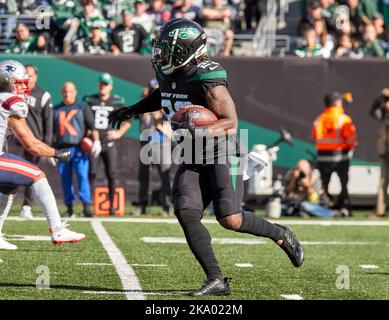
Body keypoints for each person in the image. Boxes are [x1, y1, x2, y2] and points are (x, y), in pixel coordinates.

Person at [109, 18, 304, 297]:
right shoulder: (170, 73)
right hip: (191, 152)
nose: (162, 54)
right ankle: (216, 280)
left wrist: (200, 130)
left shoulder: (207, 75)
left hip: (223, 150)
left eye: (169, 48)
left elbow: (230, 121)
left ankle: (280, 234)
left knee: (231, 219)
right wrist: (132, 110)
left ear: (187, 49)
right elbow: (163, 94)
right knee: (186, 211)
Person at [0, 60, 85, 250]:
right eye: (20, 83)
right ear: (7, 81)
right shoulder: (9, 101)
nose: (25, 87)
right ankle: (57, 229)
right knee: (37, 175)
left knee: (9, 187)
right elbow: (31, 144)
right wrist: (56, 153)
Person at [83, 73, 131, 216]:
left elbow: (128, 120)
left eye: (106, 84)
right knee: (91, 173)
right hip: (94, 142)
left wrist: (119, 133)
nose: (103, 86)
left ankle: (111, 207)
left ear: (110, 86)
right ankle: (87, 206)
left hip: (109, 143)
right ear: (99, 84)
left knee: (112, 174)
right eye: (101, 83)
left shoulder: (117, 102)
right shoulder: (90, 100)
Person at [53, 82, 102, 218]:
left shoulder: (82, 106)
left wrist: (96, 141)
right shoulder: (56, 109)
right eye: (64, 91)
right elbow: (51, 132)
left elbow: (92, 126)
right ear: (61, 93)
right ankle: (69, 208)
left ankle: (86, 207)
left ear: (75, 92)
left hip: (79, 148)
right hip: (62, 148)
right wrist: (51, 151)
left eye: (69, 91)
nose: (67, 94)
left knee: (82, 176)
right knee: (65, 179)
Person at [17, 65, 54, 220]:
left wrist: (47, 146)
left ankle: (27, 206)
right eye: (26, 75)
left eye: (31, 75)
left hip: (33, 142)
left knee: (30, 175)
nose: (28, 78)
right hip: (14, 141)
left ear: (36, 77)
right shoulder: (14, 92)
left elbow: (48, 122)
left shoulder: (43, 95)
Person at [312, 92, 358, 217]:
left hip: (322, 158)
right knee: (343, 184)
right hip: (340, 157)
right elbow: (351, 139)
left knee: (325, 185)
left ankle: (325, 207)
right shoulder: (343, 119)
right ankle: (344, 207)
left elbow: (315, 136)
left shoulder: (319, 119)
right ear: (336, 103)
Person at [133, 79, 172, 216]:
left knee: (164, 175)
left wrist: (160, 107)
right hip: (146, 142)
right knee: (143, 176)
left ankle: (167, 206)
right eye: (152, 90)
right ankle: (142, 204)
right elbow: (136, 115)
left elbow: (169, 118)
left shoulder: (167, 101)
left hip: (162, 142)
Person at [369, 88, 389, 217]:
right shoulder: (384, 114)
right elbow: (372, 111)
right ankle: (380, 210)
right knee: (383, 181)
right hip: (385, 151)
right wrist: (380, 97)